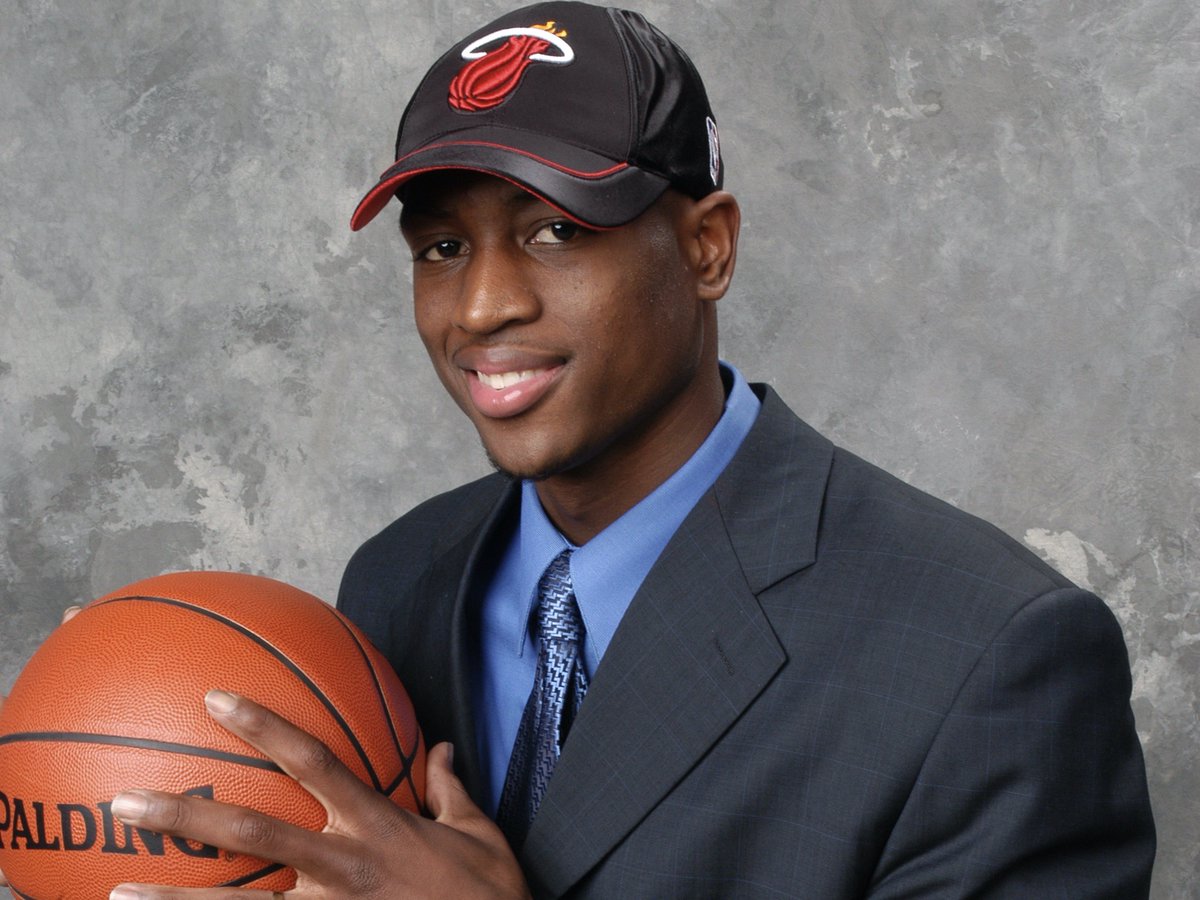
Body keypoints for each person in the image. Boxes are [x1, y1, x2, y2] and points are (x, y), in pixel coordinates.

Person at [1, 2, 1155, 898]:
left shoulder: (989, 659)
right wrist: (125, 767)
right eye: (442, 246)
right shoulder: (394, 585)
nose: (484, 305)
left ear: (707, 247)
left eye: (558, 230)